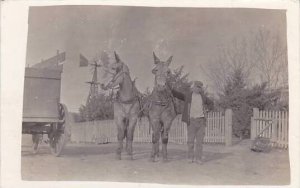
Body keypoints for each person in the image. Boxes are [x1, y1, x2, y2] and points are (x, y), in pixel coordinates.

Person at [171, 81, 207, 164]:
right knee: (190, 141)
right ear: (193, 87)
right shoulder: (188, 96)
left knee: (199, 142)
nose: (198, 89)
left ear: (201, 89)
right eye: (196, 87)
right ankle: (190, 157)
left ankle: (198, 158)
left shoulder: (203, 97)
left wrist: (208, 110)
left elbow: (211, 103)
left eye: (199, 87)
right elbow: (179, 95)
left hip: (201, 121)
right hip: (191, 121)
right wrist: (171, 90)